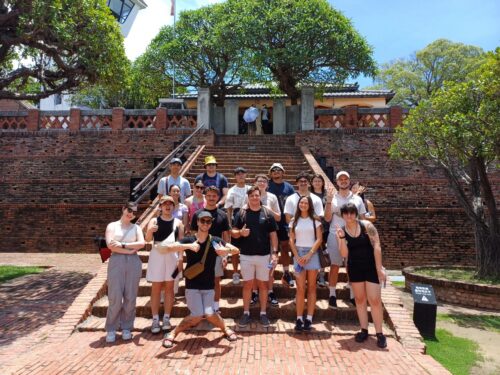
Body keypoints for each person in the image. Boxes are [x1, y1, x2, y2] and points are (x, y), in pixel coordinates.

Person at [161, 211, 239, 348]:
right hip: (192, 285)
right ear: (197, 222)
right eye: (202, 221)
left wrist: (225, 252)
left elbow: (236, 250)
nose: (205, 224)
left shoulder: (215, 241)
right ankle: (173, 333)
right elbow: (166, 248)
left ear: (211, 223)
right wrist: (187, 246)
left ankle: (225, 329)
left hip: (209, 285)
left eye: (208, 221)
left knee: (210, 314)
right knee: (197, 315)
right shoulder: (189, 240)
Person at [335, 202, 387, 348]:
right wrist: (340, 238)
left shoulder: (367, 226)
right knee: (359, 299)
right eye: (346, 213)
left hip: (371, 266)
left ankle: (380, 333)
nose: (349, 216)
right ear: (343, 215)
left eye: (352, 213)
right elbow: (344, 254)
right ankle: (364, 329)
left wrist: (379, 268)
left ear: (356, 214)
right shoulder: (342, 230)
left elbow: (377, 246)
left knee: (375, 300)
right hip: (355, 267)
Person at [232, 186, 279, 328]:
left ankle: (263, 313)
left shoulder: (267, 213)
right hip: (246, 255)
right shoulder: (241, 213)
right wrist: (240, 232)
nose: (254, 198)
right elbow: (233, 232)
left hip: (264, 256)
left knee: (263, 285)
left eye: (256, 195)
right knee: (247, 285)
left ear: (260, 197)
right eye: (251, 195)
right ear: (248, 197)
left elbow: (273, 235)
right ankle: (246, 313)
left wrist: (275, 253)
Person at [324, 171, 366, 308]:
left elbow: (363, 219)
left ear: (349, 181)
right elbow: (327, 218)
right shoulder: (333, 197)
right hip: (334, 234)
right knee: (335, 265)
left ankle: (353, 294)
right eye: (340, 179)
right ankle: (332, 294)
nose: (343, 181)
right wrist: (329, 202)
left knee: (351, 265)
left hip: (353, 235)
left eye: (346, 179)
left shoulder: (357, 199)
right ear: (337, 182)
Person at [104, 202, 145, 343]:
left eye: (133, 212)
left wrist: (123, 245)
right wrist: (129, 250)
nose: (131, 213)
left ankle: (127, 327)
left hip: (133, 262)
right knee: (115, 296)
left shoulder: (136, 228)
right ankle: (111, 328)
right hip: (117, 262)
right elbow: (110, 245)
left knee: (130, 296)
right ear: (123, 209)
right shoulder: (112, 226)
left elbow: (142, 244)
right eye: (129, 210)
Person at [145, 195, 184, 333]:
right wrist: (150, 230)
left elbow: (181, 243)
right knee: (156, 287)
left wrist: (180, 258)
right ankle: (155, 319)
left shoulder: (178, 223)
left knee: (169, 287)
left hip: (172, 255)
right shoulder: (154, 221)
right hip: (157, 254)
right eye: (165, 204)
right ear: (160, 206)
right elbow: (148, 239)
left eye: (170, 204)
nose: (167, 206)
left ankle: (166, 317)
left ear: (174, 206)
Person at [191, 186, 231, 313]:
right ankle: (200, 307)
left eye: (214, 196)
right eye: (209, 195)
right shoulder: (197, 214)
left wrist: (225, 255)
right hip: (200, 253)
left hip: (217, 252)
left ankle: (215, 306)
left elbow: (226, 236)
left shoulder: (222, 214)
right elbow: (193, 234)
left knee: (216, 281)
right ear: (205, 197)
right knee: (199, 279)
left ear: (218, 197)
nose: (211, 198)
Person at [289, 195, 323, 332]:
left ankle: (309, 318)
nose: (303, 205)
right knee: (300, 287)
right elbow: (291, 240)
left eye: (306, 203)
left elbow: (319, 239)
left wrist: (309, 254)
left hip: (312, 254)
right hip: (298, 253)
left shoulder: (315, 220)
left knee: (312, 286)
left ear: (310, 205)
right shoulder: (294, 220)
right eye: (301, 202)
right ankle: (299, 318)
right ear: (298, 204)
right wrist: (297, 256)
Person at [249, 174, 281, 306]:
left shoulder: (272, 197)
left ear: (267, 184)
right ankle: (255, 292)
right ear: (255, 183)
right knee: (255, 267)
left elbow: (278, 217)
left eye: (264, 181)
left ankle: (270, 291)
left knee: (270, 267)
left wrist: (268, 210)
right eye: (259, 181)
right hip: (253, 236)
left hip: (268, 236)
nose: (261, 183)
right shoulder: (250, 195)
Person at [267, 163, 296, 288]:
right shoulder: (267, 185)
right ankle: (269, 275)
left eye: (279, 170)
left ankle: (286, 272)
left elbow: (294, 203)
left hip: (284, 221)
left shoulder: (289, 187)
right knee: (270, 250)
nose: (276, 172)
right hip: (269, 222)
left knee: (285, 247)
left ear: (283, 172)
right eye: (273, 170)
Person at [224, 166, 251, 285]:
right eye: (238, 174)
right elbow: (229, 209)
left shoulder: (250, 189)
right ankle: (235, 272)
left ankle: (247, 273)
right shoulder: (232, 190)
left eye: (242, 173)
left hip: (249, 215)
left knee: (248, 247)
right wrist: (229, 225)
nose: (240, 175)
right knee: (235, 249)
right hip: (236, 217)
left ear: (245, 175)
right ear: (235, 176)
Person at [310, 174, 329, 287]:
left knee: (322, 251)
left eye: (319, 181)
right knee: (312, 251)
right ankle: (312, 273)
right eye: (315, 181)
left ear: (322, 182)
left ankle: (321, 274)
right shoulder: (308, 195)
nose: (317, 183)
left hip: (325, 226)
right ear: (312, 183)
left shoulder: (327, 195)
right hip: (311, 227)